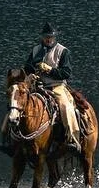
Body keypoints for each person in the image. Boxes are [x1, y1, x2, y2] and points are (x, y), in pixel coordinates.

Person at [26, 21, 81, 149]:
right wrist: (30, 75)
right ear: (42, 37)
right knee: (17, 103)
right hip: (37, 85)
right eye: (46, 37)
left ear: (54, 37)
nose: (48, 39)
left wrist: (50, 70)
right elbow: (27, 67)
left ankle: (71, 137)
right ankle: (11, 138)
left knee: (65, 106)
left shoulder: (63, 51)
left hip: (56, 86)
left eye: (51, 37)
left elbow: (66, 73)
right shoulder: (35, 50)